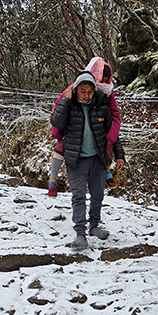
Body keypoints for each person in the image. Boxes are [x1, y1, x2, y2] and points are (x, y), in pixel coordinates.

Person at [50, 71, 126, 249]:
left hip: (97, 159)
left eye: (90, 91)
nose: (86, 95)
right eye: (82, 91)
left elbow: (112, 133)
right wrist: (66, 100)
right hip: (76, 160)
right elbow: (56, 122)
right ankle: (80, 233)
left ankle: (94, 226)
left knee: (98, 194)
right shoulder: (69, 107)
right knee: (78, 196)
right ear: (76, 90)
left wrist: (119, 155)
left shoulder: (101, 106)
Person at [48, 57, 121, 197]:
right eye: (102, 79)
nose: (104, 83)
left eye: (107, 80)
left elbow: (114, 115)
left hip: (97, 131)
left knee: (105, 144)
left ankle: (107, 172)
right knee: (60, 149)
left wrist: (111, 137)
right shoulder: (76, 88)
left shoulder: (107, 92)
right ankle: (53, 179)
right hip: (72, 132)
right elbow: (59, 107)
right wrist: (57, 134)